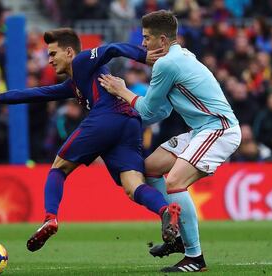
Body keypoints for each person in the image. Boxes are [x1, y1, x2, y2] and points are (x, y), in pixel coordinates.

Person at [0, 28, 180, 253]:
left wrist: (142, 55)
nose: (49, 60)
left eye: (53, 54)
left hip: (108, 116)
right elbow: (38, 93)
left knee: (58, 168)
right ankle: (166, 211)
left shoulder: (82, 61)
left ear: (69, 52)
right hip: (129, 123)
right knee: (132, 186)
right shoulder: (75, 83)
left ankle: (50, 218)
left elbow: (110, 48)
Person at [99, 10, 241, 272]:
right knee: (150, 168)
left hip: (219, 129)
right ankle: (175, 233)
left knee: (175, 182)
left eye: (146, 38)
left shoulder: (166, 64)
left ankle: (195, 257)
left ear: (162, 40)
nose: (142, 44)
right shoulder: (180, 55)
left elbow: (146, 111)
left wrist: (121, 90)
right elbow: (161, 111)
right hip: (201, 130)